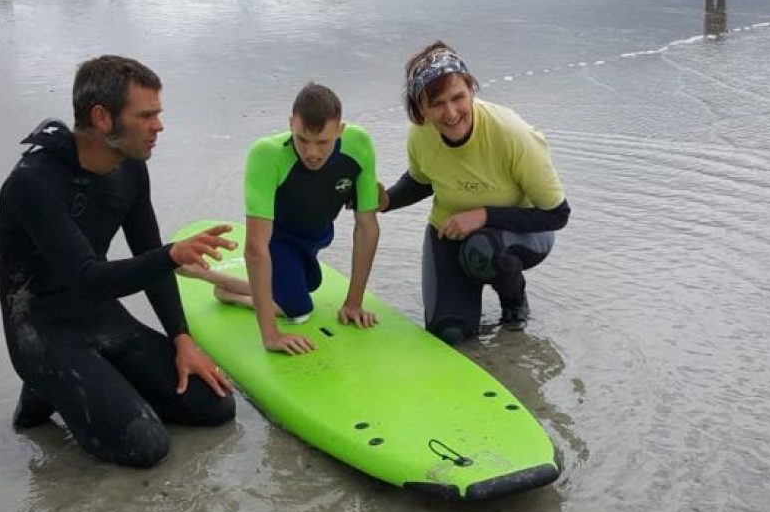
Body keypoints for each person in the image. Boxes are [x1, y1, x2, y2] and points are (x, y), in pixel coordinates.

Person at [0, 55, 237, 468]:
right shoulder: (33, 183)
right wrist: (172, 255)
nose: (158, 126)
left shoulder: (130, 169)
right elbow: (87, 278)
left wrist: (182, 339)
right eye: (146, 115)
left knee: (214, 407)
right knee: (146, 447)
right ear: (102, 118)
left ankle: (91, 379)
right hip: (42, 330)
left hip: (98, 317)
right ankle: (44, 385)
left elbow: (147, 254)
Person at [379, 42, 570, 344]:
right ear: (420, 109)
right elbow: (421, 181)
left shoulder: (511, 133)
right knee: (449, 335)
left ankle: (514, 302)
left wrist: (483, 216)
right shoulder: (420, 135)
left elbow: (557, 215)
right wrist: (386, 200)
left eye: (458, 97)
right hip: (449, 234)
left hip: (520, 236)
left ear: (471, 91)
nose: (451, 112)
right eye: (437, 103)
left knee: (483, 250)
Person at [193, 82, 381, 355]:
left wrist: (353, 303)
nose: (312, 153)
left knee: (310, 284)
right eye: (302, 139)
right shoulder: (267, 154)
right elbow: (256, 249)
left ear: (340, 130)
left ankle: (226, 289)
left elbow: (367, 227)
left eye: (323, 142)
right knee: (298, 310)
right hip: (278, 239)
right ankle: (206, 276)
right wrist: (271, 335)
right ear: (291, 123)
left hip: (316, 238)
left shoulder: (359, 144)